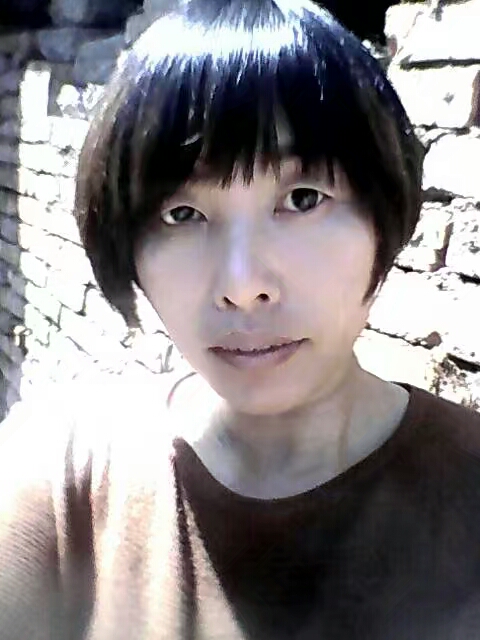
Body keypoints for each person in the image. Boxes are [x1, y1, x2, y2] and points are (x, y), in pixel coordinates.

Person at [1, 0, 480, 638]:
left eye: (302, 199)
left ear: (382, 217)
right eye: (182, 215)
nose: (242, 286)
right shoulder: (65, 475)